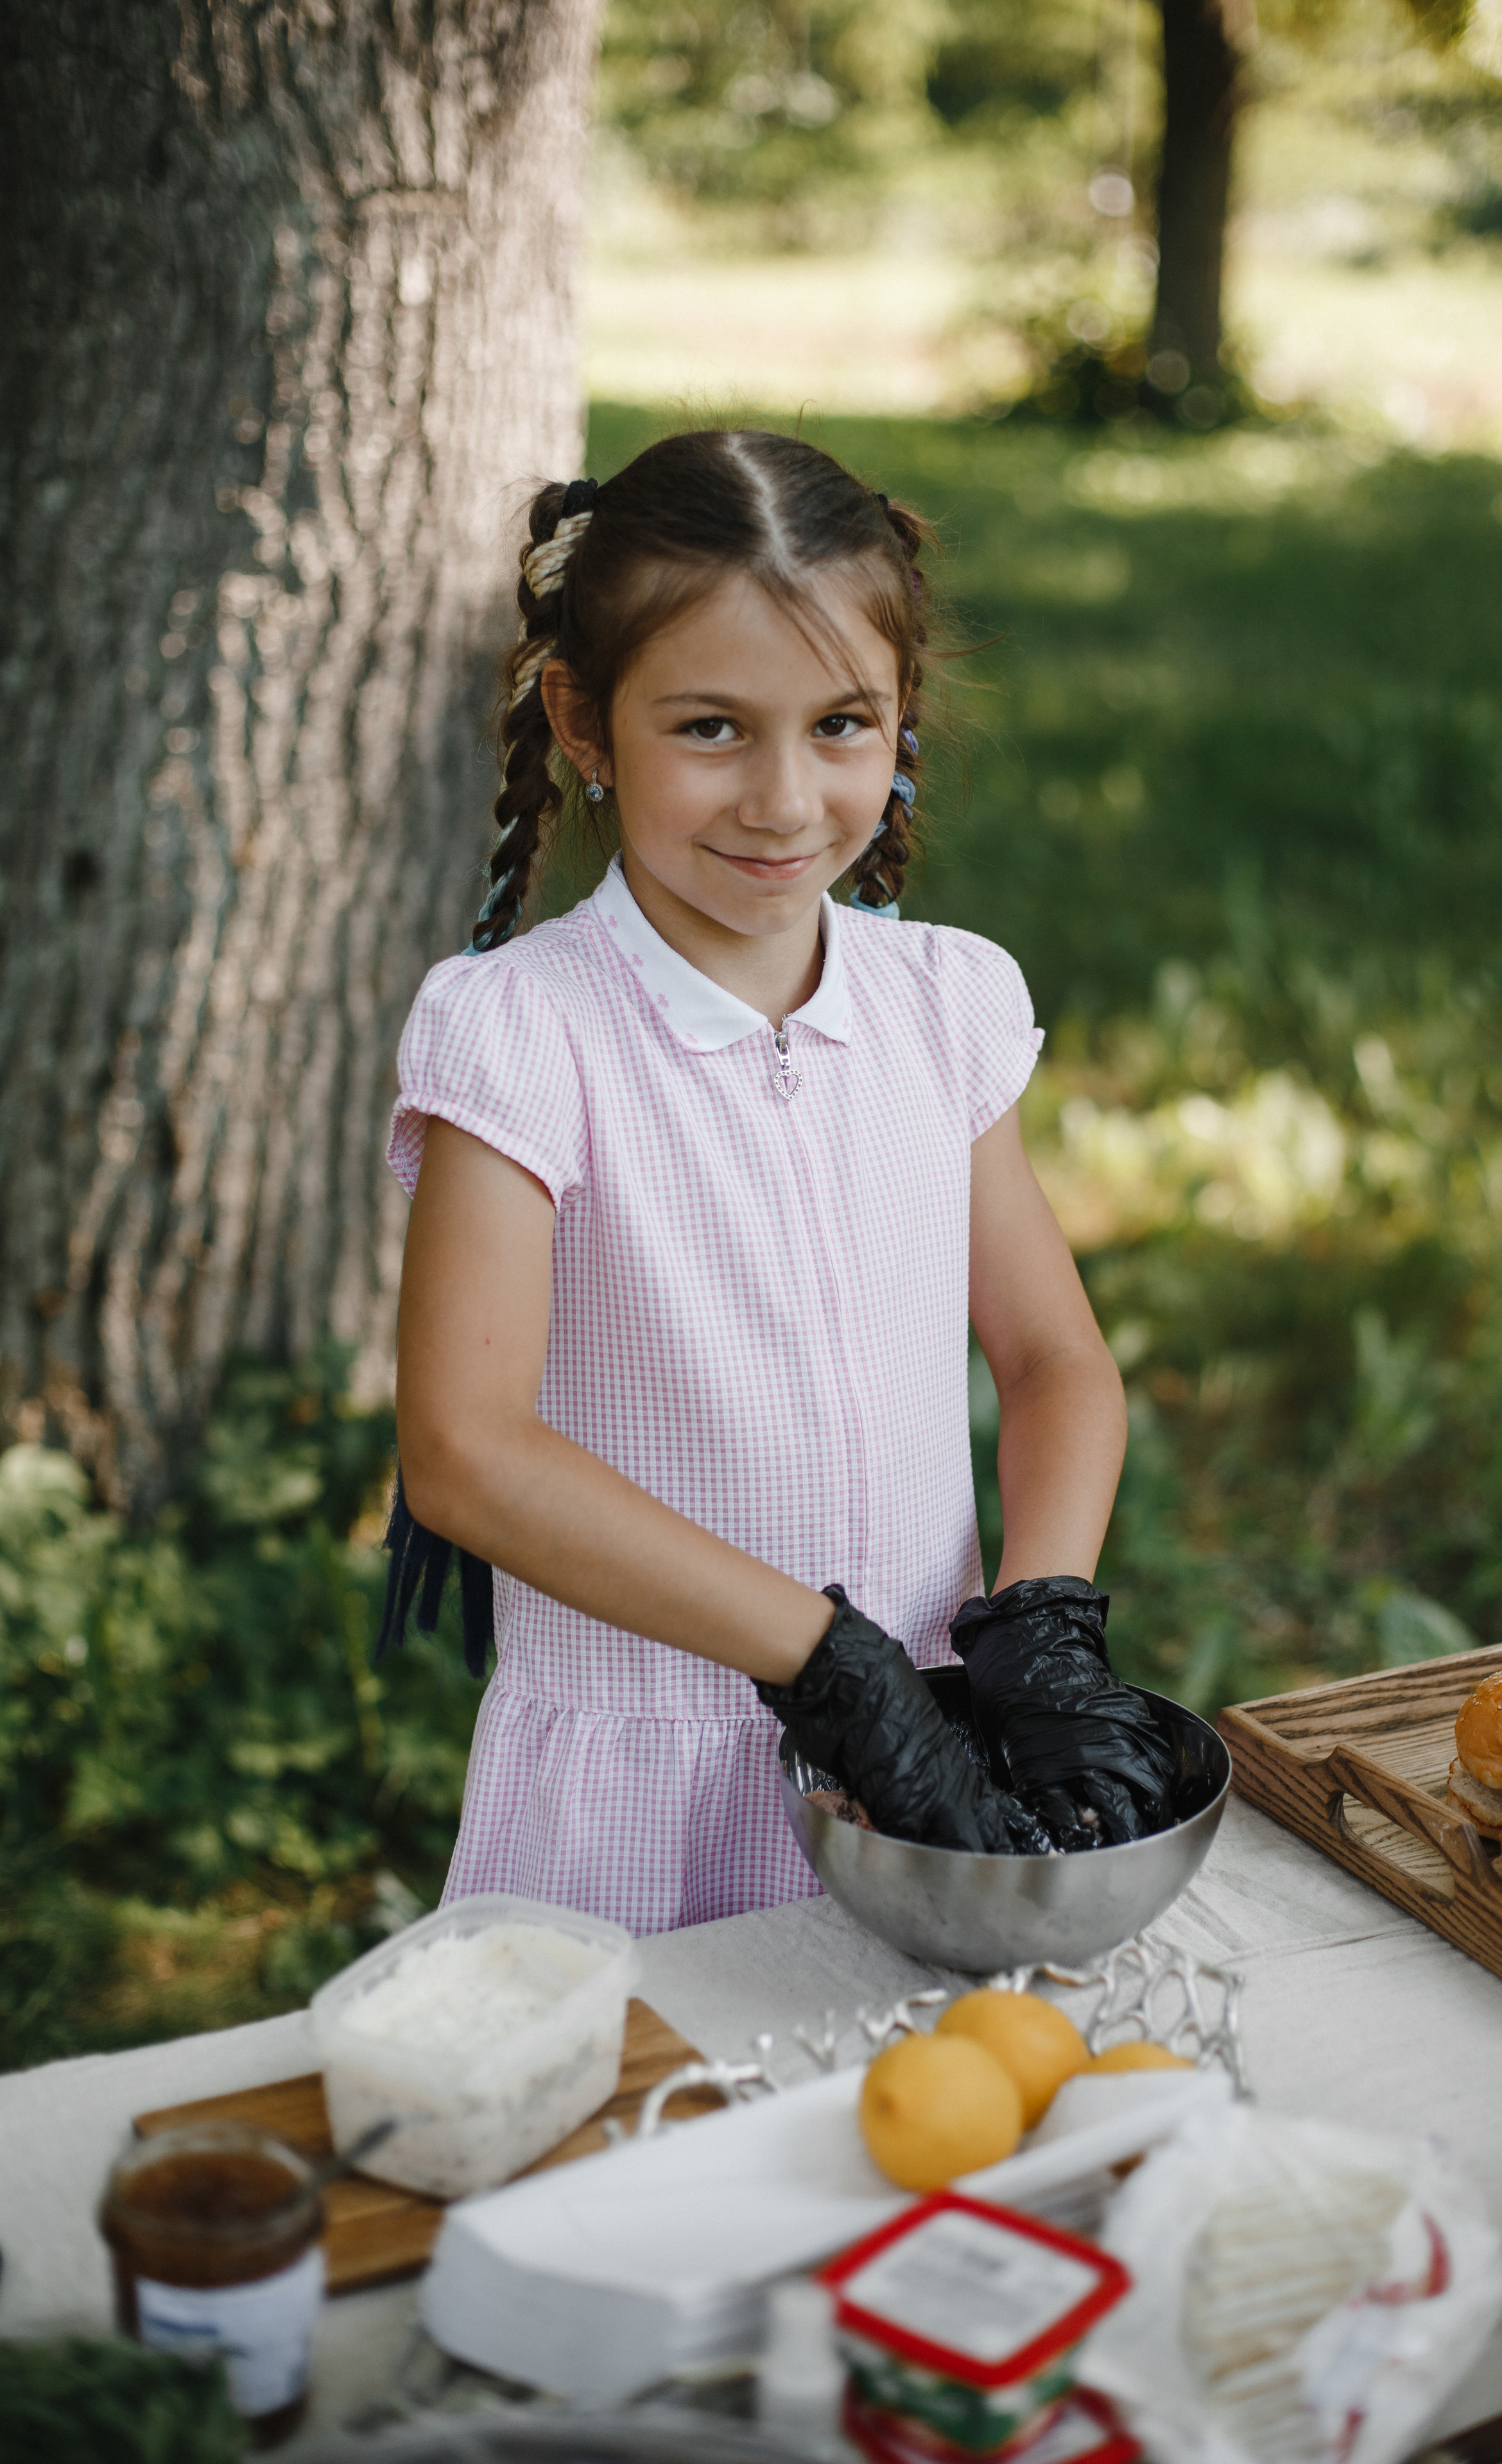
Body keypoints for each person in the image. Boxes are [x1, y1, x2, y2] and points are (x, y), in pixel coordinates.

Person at [383, 427, 1167, 1937]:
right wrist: (821, 1659)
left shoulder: (944, 1006)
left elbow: (1055, 1361)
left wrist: (1044, 1623)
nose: (785, 799)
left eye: (839, 726)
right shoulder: (522, 1036)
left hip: (925, 1767)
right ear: (584, 722)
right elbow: (465, 1453)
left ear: (899, 723)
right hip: (643, 1791)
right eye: (710, 730)